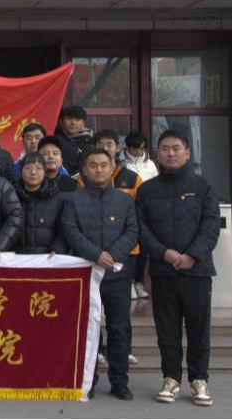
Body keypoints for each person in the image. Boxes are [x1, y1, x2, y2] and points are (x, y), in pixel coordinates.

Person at [137, 130, 220, 407]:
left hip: (197, 271)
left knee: (198, 329)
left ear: (187, 152)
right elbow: (142, 229)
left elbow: (211, 226)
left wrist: (192, 255)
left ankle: (199, 380)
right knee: (167, 330)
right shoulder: (147, 190)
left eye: (176, 148)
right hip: (163, 271)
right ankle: (170, 378)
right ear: (157, 153)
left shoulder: (203, 186)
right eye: (165, 149)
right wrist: (164, 253)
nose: (170, 153)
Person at [61, 149, 139, 401]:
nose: (99, 170)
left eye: (104, 165)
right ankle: (88, 380)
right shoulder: (73, 200)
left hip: (117, 274)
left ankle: (120, 381)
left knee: (119, 329)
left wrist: (112, 255)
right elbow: (71, 231)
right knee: (87, 328)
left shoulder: (125, 200)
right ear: (84, 170)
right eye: (93, 165)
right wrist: (96, 255)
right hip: (85, 273)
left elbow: (132, 231)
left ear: (112, 167)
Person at [83, 130, 143, 302]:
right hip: (92, 251)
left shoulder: (133, 178)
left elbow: (137, 216)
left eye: (109, 144)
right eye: (101, 145)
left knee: (120, 301)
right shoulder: (82, 179)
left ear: (117, 148)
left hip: (127, 249)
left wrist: (117, 250)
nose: (105, 148)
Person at [123, 130, 158, 300]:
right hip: (128, 209)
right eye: (135, 148)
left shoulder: (150, 165)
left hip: (146, 209)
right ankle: (128, 282)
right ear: (128, 147)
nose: (138, 152)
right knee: (130, 249)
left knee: (143, 249)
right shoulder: (122, 165)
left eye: (142, 148)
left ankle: (139, 282)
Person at [14, 152, 66, 255]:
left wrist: (57, 249)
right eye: (28, 168)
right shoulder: (11, 196)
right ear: (21, 171)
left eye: (38, 168)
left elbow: (64, 231)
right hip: (14, 259)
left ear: (45, 172)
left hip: (47, 259)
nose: (33, 172)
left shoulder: (58, 199)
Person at [54, 105, 93, 176]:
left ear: (83, 123)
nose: (73, 122)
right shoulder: (52, 139)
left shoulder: (89, 143)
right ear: (61, 120)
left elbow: (84, 168)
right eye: (69, 118)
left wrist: (70, 180)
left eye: (77, 119)